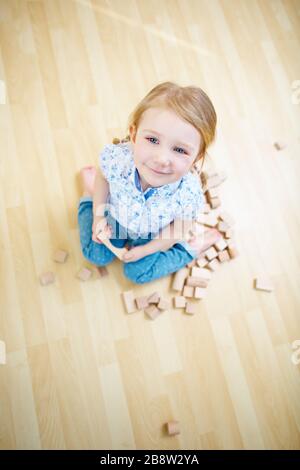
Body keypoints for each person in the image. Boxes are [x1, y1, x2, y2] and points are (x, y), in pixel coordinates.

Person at [77, 81, 222, 284]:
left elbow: (179, 228)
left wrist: (146, 249)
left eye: (180, 150)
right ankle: (87, 194)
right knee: (95, 255)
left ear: (196, 158)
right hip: (116, 218)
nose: (162, 159)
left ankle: (190, 249)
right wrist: (98, 216)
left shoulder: (188, 193)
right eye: (153, 140)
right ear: (134, 134)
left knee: (137, 274)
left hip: (153, 235)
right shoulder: (118, 160)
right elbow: (104, 176)